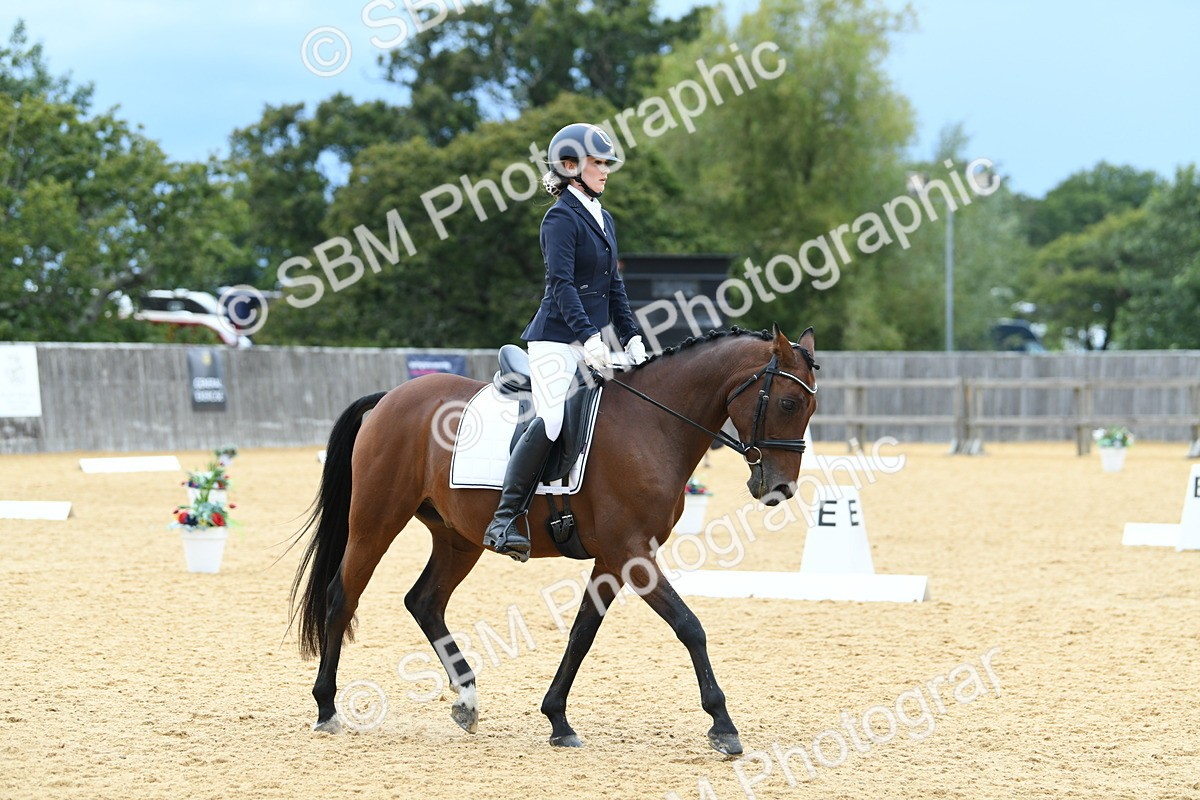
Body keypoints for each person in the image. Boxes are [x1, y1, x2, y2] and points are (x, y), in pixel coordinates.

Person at [483, 122, 648, 561]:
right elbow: (561, 285)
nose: (606, 170)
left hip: (592, 340)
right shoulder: (559, 218)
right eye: (598, 162)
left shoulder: (604, 218)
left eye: (606, 162)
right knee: (554, 420)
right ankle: (505, 516)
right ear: (571, 166)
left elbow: (614, 288)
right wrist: (588, 338)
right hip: (556, 340)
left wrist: (631, 336)